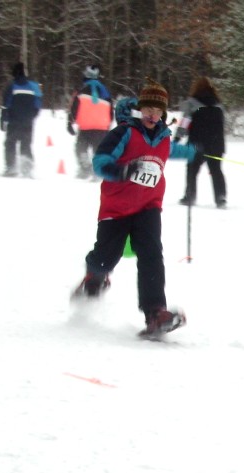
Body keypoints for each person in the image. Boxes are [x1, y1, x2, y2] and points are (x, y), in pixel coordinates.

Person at [72, 78, 195, 337]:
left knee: (152, 255)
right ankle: (94, 278)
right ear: (140, 109)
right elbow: (100, 162)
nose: (153, 115)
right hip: (116, 208)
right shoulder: (124, 133)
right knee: (106, 256)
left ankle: (155, 313)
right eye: (148, 109)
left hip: (148, 206)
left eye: (158, 111)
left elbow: (174, 150)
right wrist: (121, 171)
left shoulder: (163, 137)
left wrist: (196, 152)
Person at [176, 77, 227, 208]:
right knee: (216, 170)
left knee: (192, 170)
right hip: (216, 143)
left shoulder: (192, 103)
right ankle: (220, 197)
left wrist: (177, 138)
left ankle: (190, 196)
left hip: (197, 143)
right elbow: (222, 124)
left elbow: (185, 122)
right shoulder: (219, 105)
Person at [67, 64, 113, 179]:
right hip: (101, 128)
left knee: (80, 149)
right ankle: (98, 171)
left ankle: (85, 169)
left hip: (85, 127)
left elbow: (74, 108)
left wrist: (70, 122)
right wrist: (108, 124)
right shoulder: (105, 91)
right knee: (98, 151)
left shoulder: (81, 90)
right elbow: (111, 110)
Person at [0, 62, 42, 177]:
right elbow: (38, 104)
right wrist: (31, 116)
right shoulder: (34, 86)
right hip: (27, 121)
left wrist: (3, 119)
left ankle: (11, 168)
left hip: (13, 121)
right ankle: (27, 169)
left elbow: (5, 105)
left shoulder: (11, 86)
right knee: (26, 144)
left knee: (10, 144)